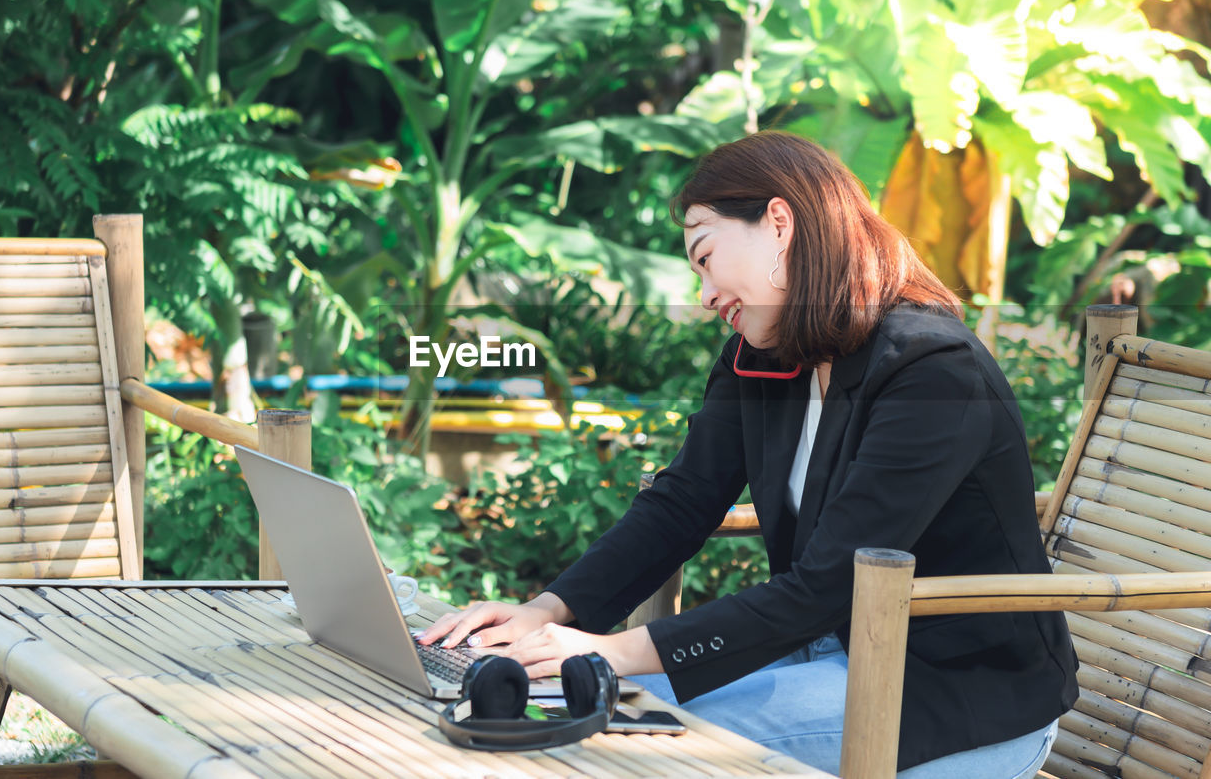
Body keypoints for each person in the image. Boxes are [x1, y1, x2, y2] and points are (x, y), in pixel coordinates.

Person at [420, 131, 1078, 776]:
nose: (704, 294)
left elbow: (828, 583)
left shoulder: (933, 369)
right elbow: (682, 504)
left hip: (957, 693)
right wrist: (547, 612)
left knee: (632, 738)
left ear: (779, 223)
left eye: (705, 257)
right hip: (819, 655)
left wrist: (611, 652)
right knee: (564, 701)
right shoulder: (764, 356)